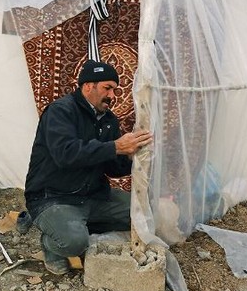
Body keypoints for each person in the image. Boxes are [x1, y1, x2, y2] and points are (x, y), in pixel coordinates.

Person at [24, 59, 153, 275]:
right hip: (53, 197)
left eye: (115, 90)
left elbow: (112, 167)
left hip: (93, 196)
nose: (112, 96)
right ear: (87, 86)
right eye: (107, 88)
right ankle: (50, 244)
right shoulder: (60, 111)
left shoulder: (109, 120)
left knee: (144, 215)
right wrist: (115, 146)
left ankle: (76, 224)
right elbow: (65, 154)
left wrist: (131, 156)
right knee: (74, 243)